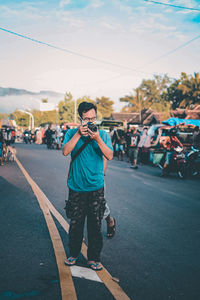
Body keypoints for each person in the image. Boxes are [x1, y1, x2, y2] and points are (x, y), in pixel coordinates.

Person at [62, 102, 113, 271]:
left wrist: (97, 138)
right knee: (76, 223)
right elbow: (65, 151)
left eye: (93, 118)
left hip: (96, 187)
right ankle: (74, 254)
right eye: (86, 119)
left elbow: (110, 155)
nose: (90, 122)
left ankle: (94, 258)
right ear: (80, 119)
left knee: (95, 224)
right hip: (76, 186)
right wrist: (78, 134)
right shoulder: (71, 133)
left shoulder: (103, 135)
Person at [102, 156, 116, 238]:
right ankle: (79, 232)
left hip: (95, 178)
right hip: (78, 177)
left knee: (99, 205)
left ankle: (109, 220)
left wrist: (101, 175)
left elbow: (106, 157)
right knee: (79, 206)